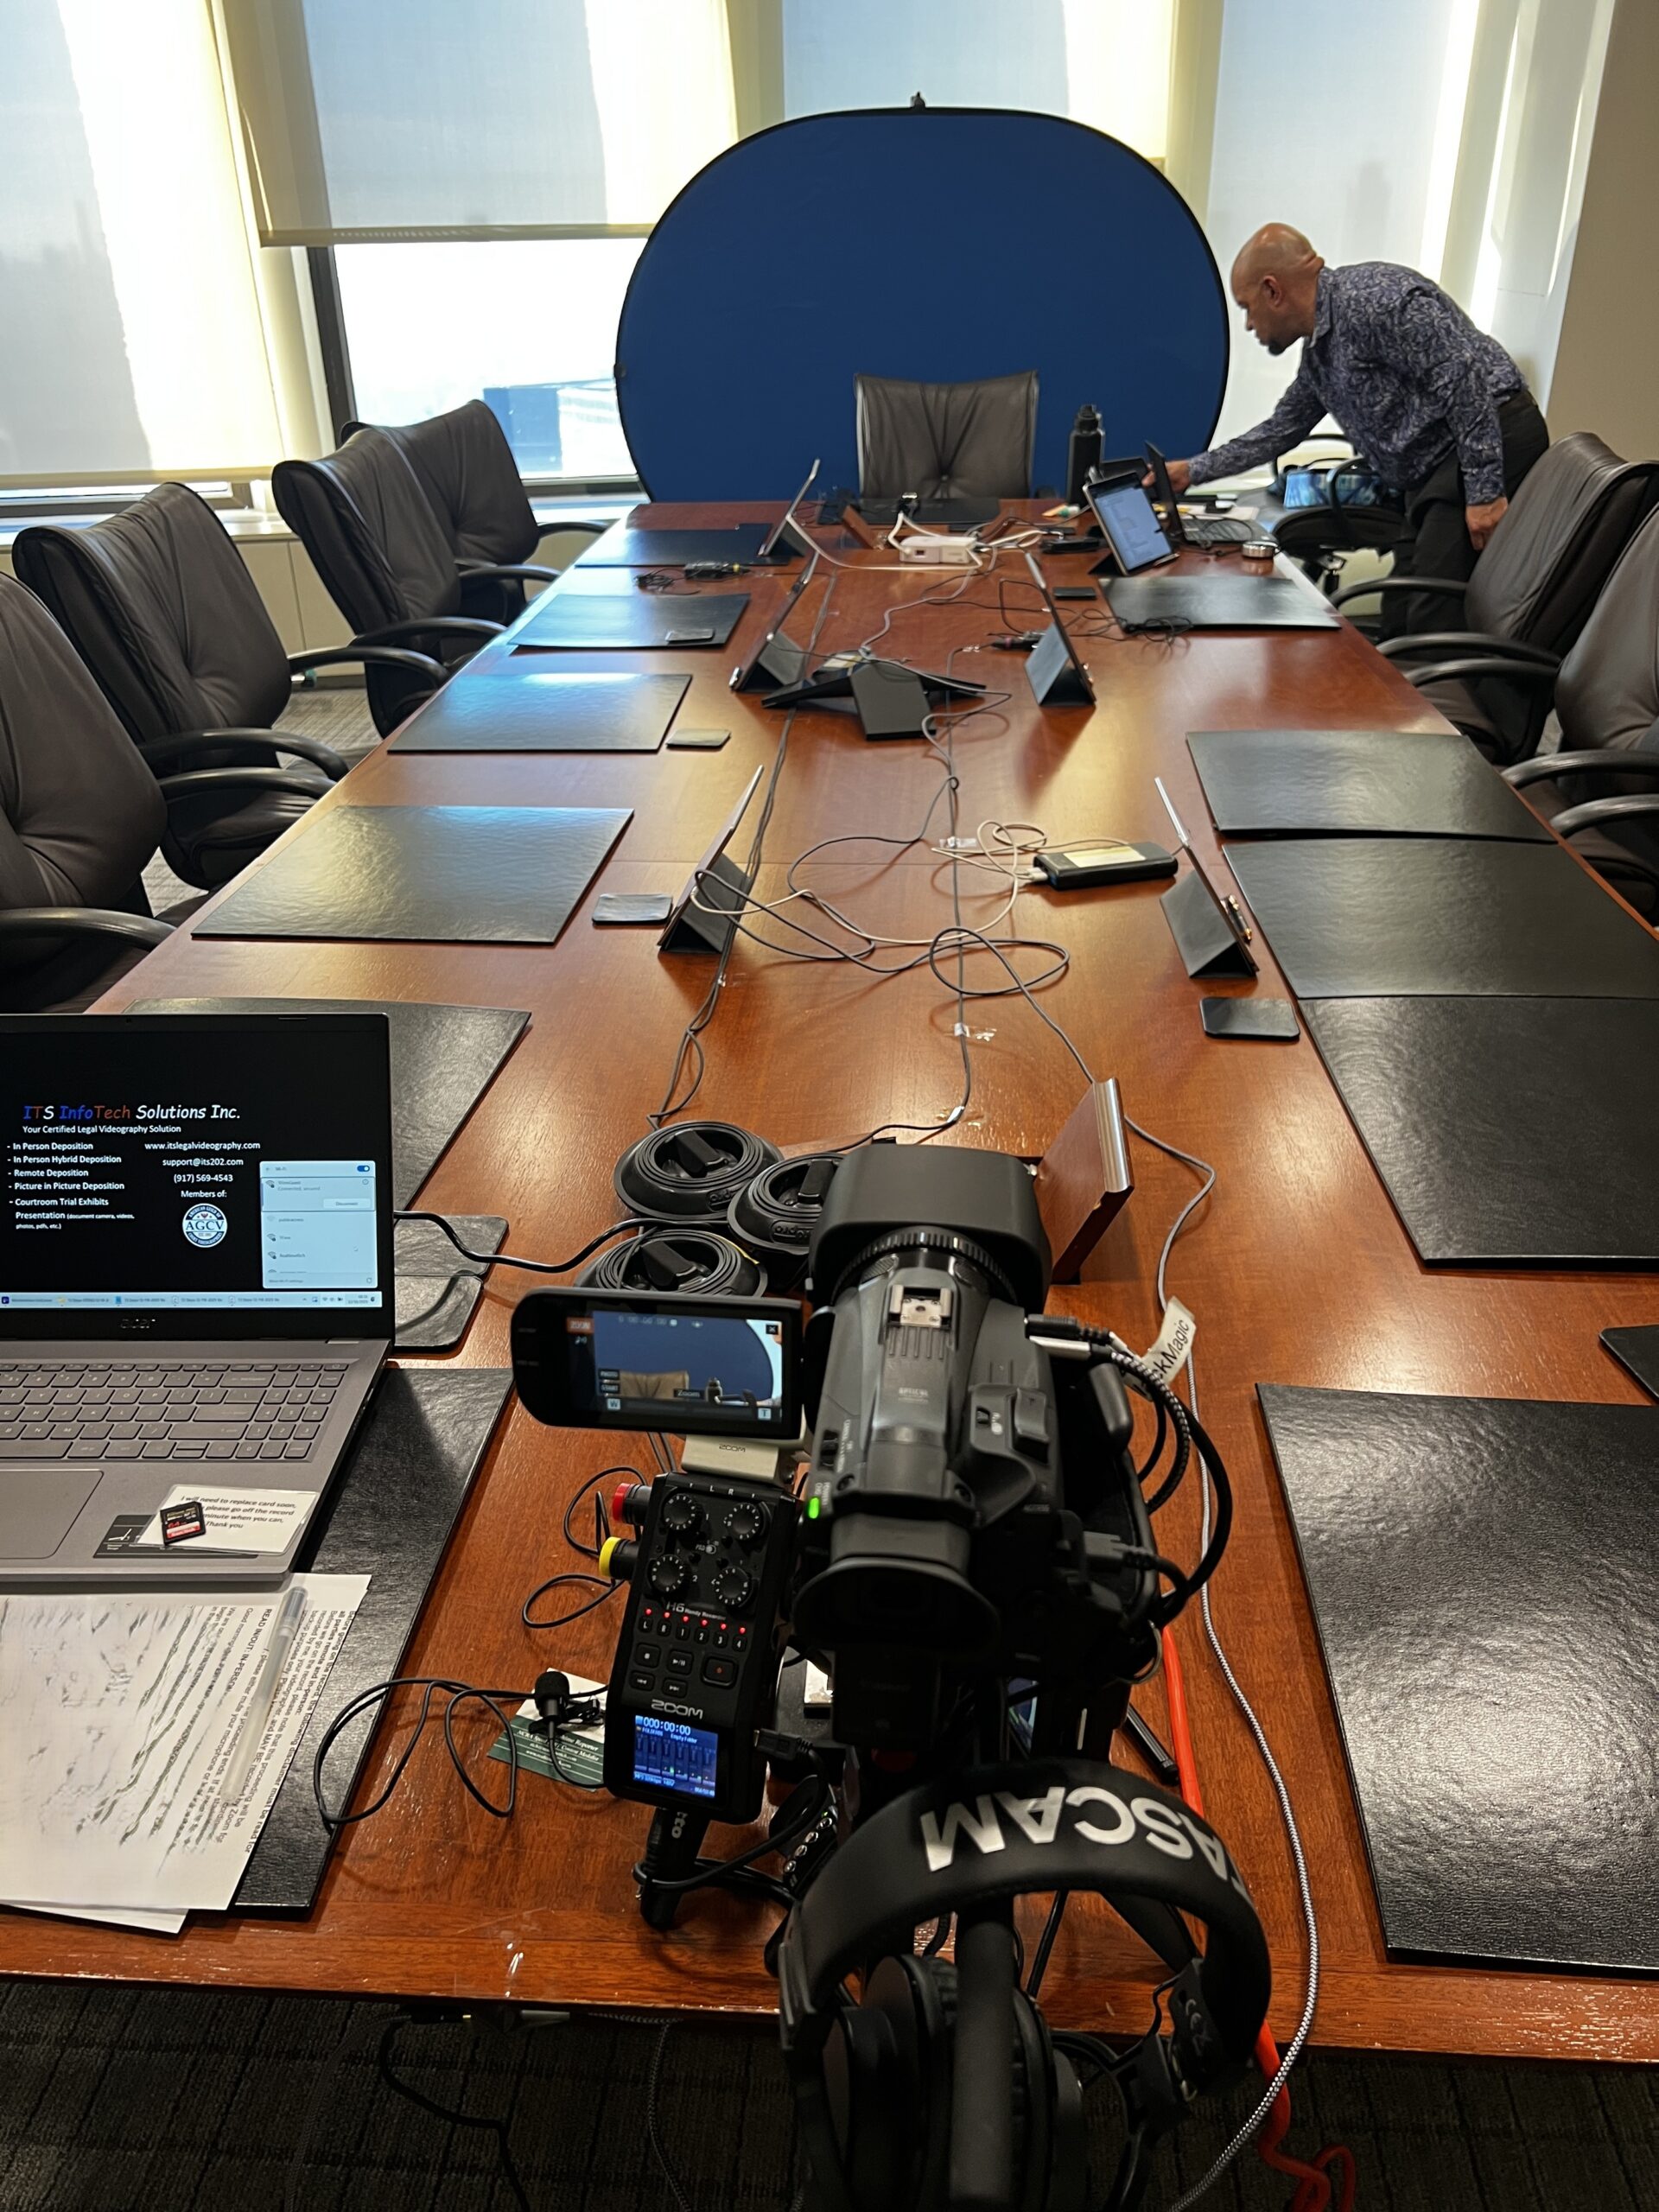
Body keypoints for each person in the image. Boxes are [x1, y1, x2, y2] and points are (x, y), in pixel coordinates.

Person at [1160, 225, 1548, 632]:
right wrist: (1193, 471)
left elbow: (1464, 378)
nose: (1248, 325)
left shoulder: (1376, 301)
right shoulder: (1321, 352)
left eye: (1247, 308)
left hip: (1489, 436)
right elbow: (1281, 429)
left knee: (1432, 611)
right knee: (1400, 609)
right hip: (1437, 463)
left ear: (1273, 291)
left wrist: (1485, 491)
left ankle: (1446, 695)